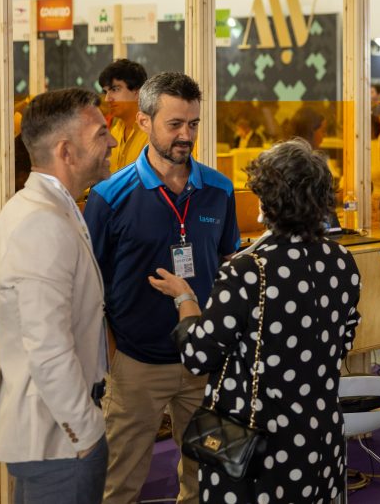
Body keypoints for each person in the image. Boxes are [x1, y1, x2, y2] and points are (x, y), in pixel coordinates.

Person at [149, 139, 361, 503]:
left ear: (266, 201)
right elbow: (343, 341)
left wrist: (185, 299)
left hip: (255, 441)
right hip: (320, 432)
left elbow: (199, 355)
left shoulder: (249, 269)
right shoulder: (342, 260)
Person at [84, 73, 240, 504]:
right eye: (175, 124)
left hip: (206, 362)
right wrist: (112, 355)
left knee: (210, 481)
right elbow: (90, 285)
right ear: (144, 121)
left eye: (193, 124)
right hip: (136, 364)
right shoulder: (108, 196)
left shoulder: (220, 189)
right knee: (118, 486)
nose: (186, 135)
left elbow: (228, 263)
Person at [0, 88, 116, 503]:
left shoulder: (51, 207)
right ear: (66, 151)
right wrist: (85, 432)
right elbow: (46, 347)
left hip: (57, 432)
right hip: (59, 438)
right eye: (101, 133)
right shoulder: (40, 221)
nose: (113, 142)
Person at [98, 58, 149, 172]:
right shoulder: (114, 132)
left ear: (137, 92)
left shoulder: (153, 133)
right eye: (105, 92)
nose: (107, 99)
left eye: (115, 89)